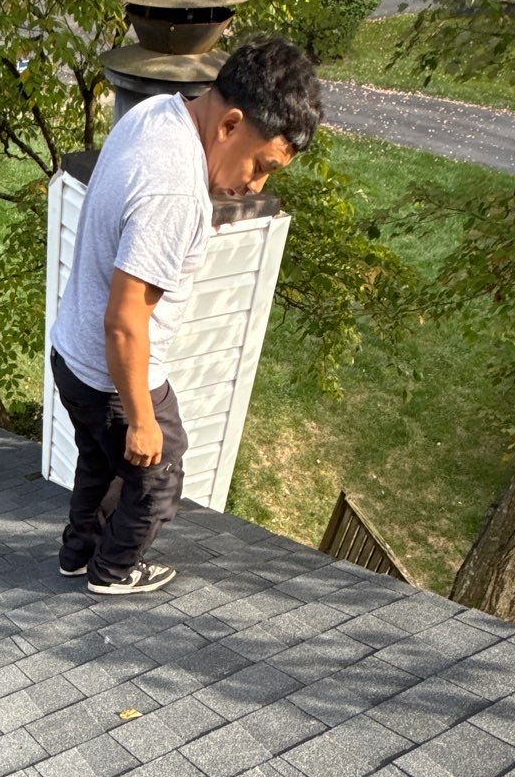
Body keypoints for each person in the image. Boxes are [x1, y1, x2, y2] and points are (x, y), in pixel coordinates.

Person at [49, 33, 322, 595]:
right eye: (261, 164)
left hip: (71, 357)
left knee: (99, 463)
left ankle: (78, 553)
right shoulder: (175, 193)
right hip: (114, 376)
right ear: (230, 124)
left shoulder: (156, 113)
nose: (255, 184)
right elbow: (125, 322)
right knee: (157, 475)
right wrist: (141, 419)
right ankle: (114, 570)